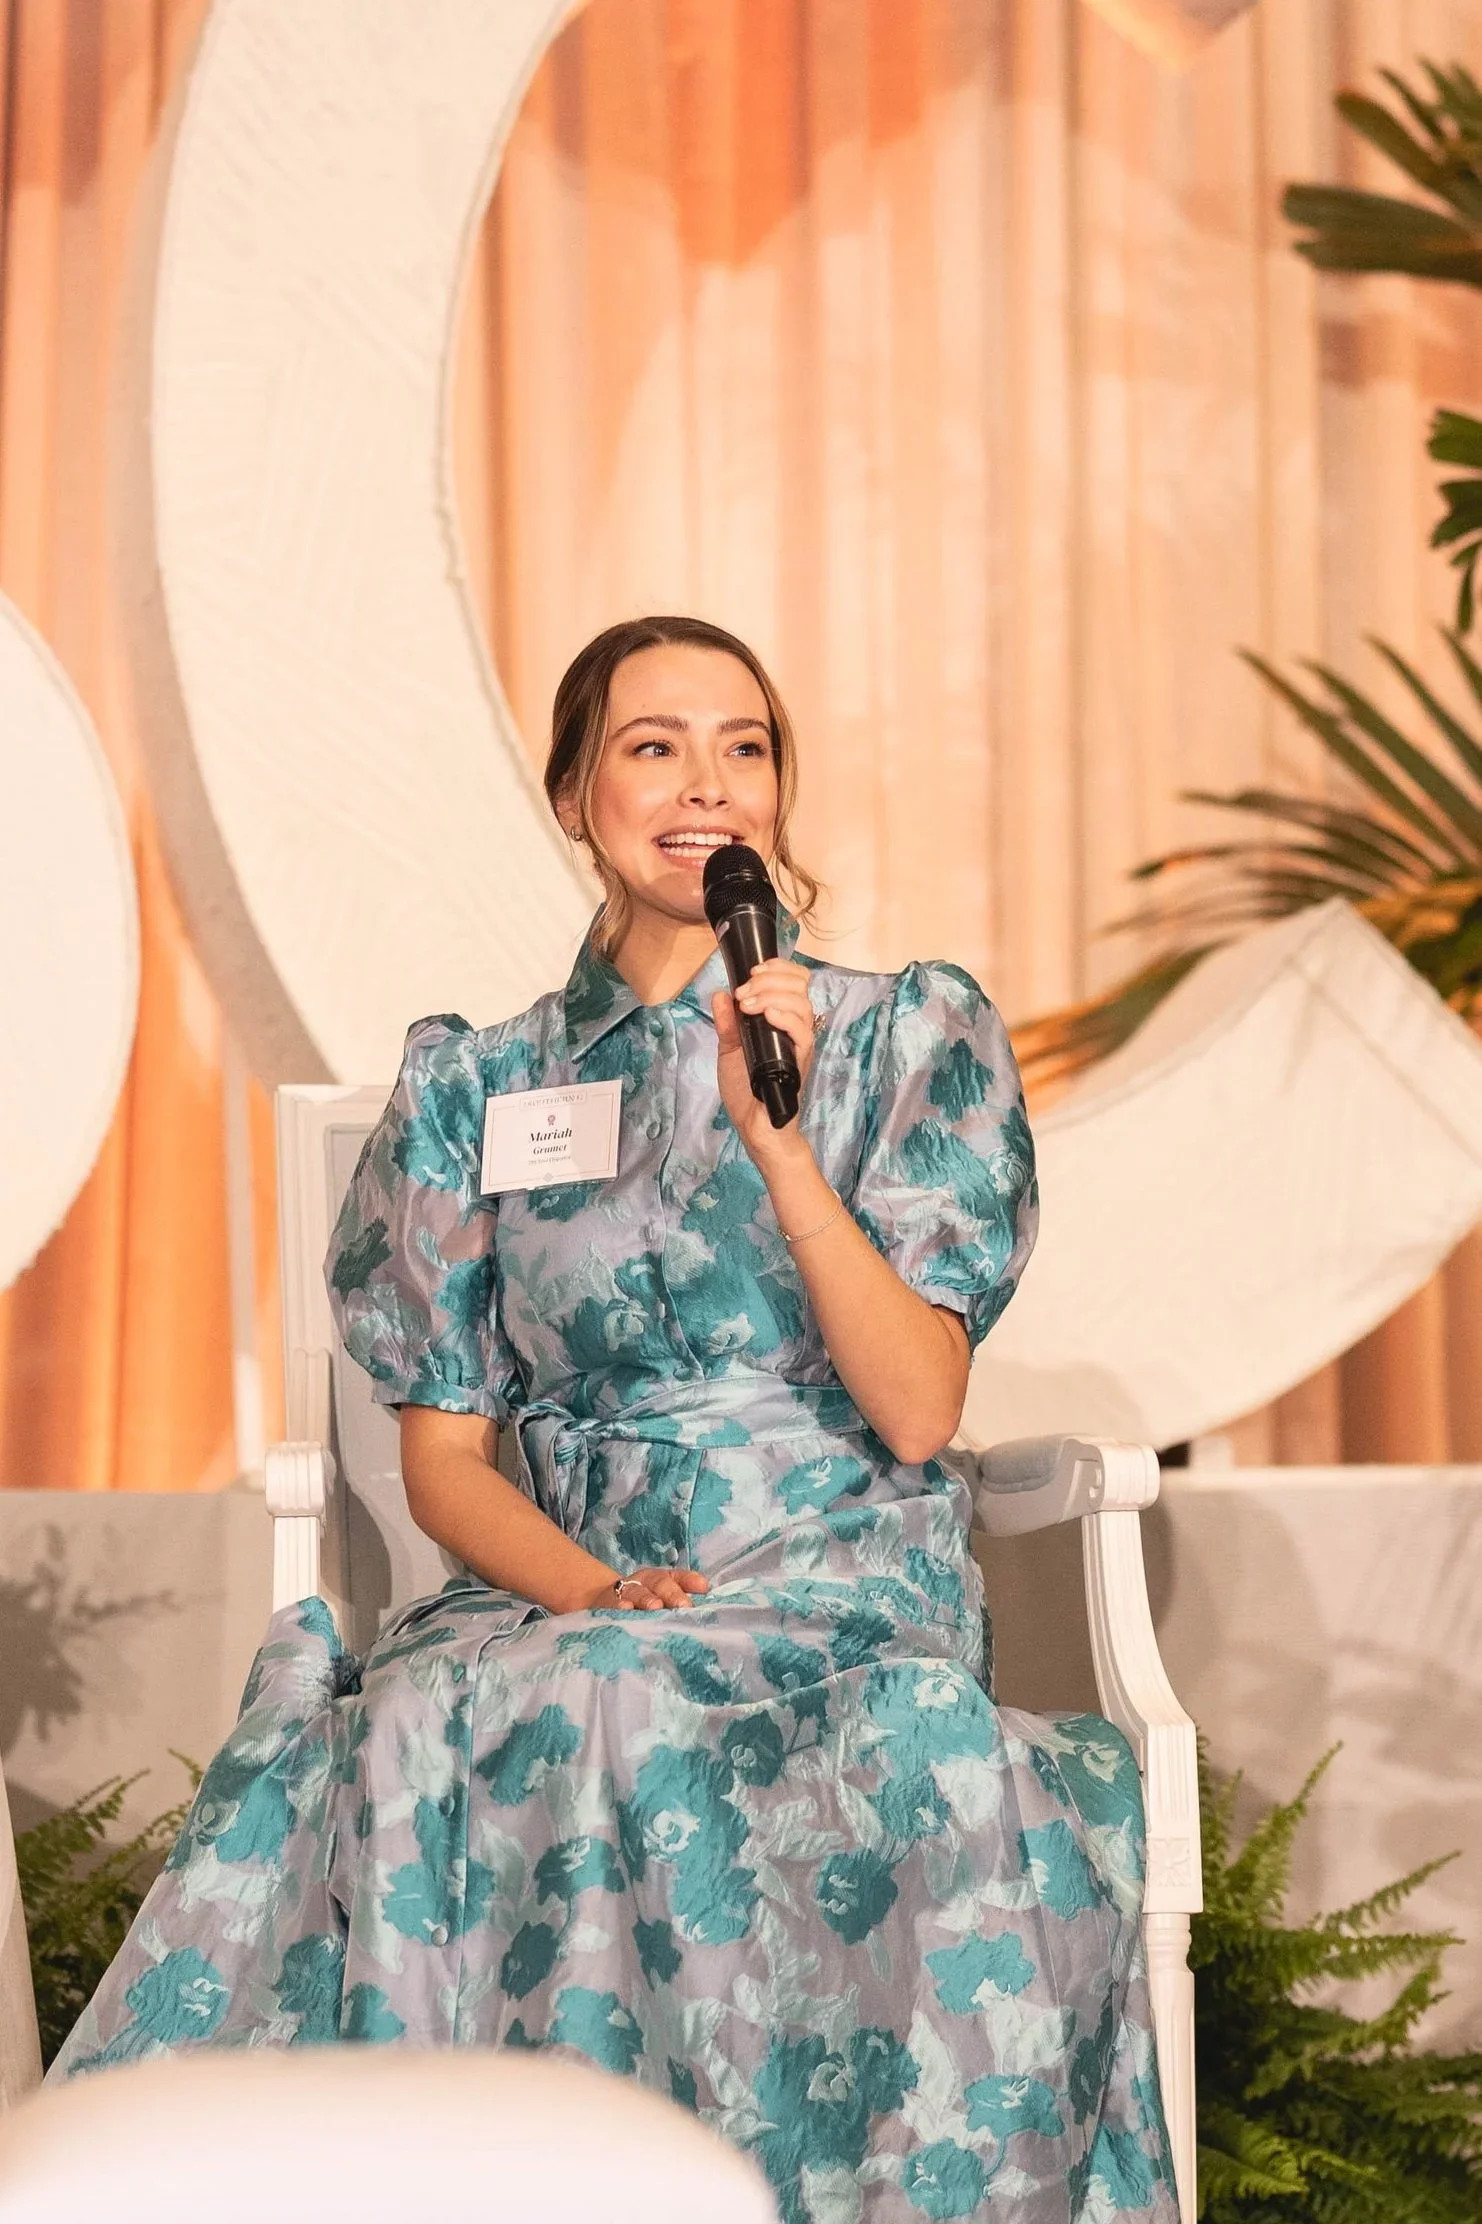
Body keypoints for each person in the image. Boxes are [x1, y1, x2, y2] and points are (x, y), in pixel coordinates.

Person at [52, 616, 1177, 2224]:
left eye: (746, 747)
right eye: (654, 746)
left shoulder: (900, 1037)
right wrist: (591, 1588)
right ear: (574, 794)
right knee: (520, 1704)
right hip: (565, 1581)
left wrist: (779, 1144)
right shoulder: (475, 1087)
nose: (706, 786)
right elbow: (443, 1463)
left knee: (766, 1721)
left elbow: (921, 1411)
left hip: (842, 1573)